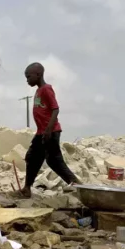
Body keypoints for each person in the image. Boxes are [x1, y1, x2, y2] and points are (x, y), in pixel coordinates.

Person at [21, 62, 81, 198]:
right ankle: (27, 188)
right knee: (32, 157)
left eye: (29, 77)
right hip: (42, 132)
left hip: (50, 132)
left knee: (54, 160)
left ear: (38, 74)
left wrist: (48, 130)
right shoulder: (38, 90)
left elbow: (55, 109)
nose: (27, 80)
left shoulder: (46, 89)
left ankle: (76, 184)